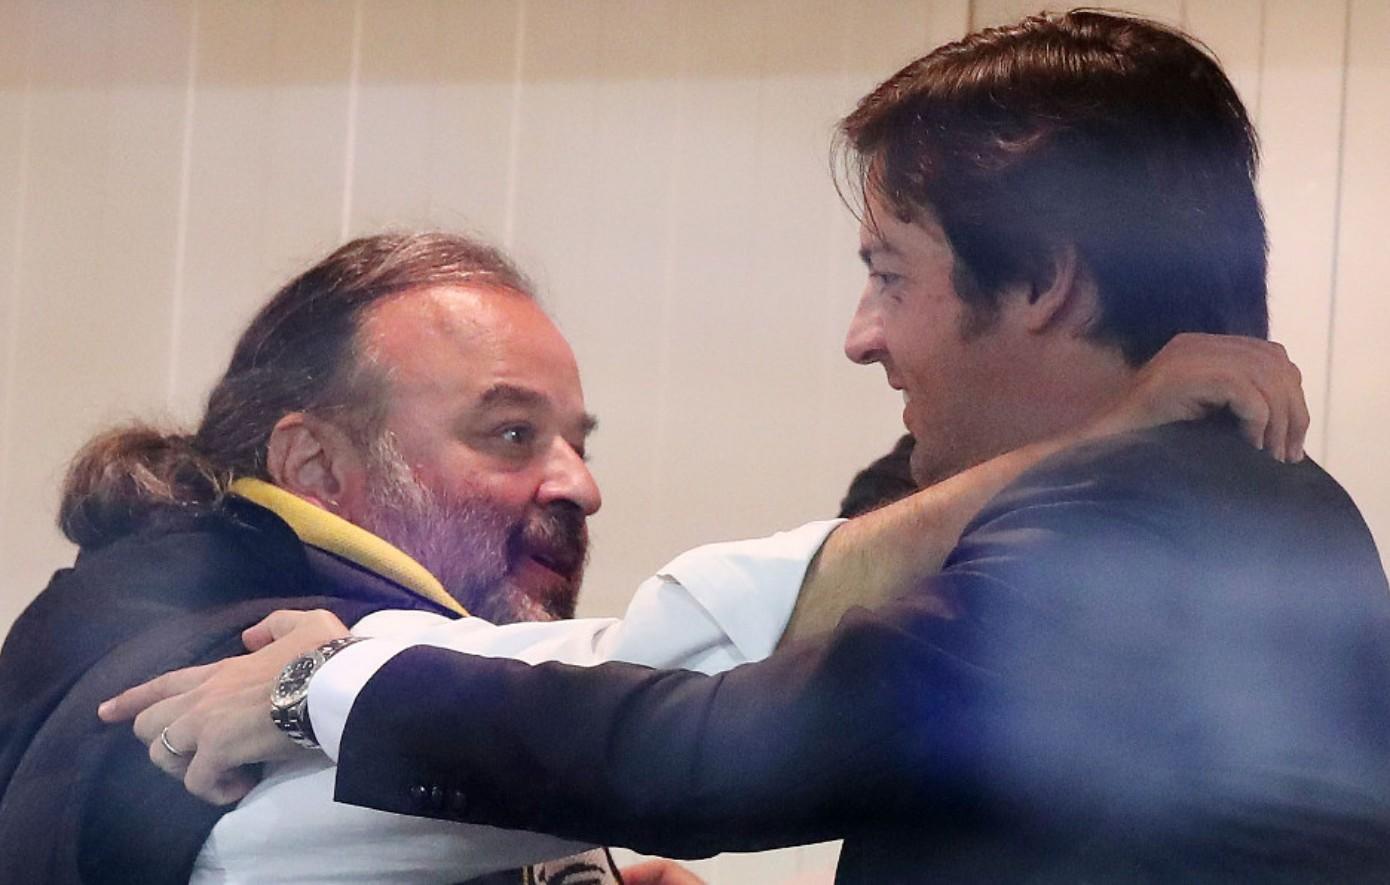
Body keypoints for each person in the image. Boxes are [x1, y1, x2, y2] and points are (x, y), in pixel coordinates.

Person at [103, 9, 1390, 883]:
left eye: (889, 272)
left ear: (1047, 280)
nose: (860, 335)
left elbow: (716, 747)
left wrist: (321, 687)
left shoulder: (1157, 527)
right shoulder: (1173, 497)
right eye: (507, 431)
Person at [3, 232, 1283, 883]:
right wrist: (1088, 459)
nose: (578, 484)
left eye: (576, 440)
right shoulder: (187, 665)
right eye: (512, 434)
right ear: (317, 465)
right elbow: (661, 697)